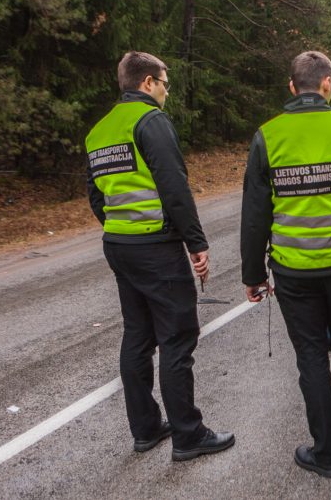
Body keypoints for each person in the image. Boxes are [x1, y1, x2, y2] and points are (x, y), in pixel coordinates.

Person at [240, 50, 331, 478]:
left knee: (311, 357)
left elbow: (255, 215)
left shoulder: (268, 135)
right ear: (328, 84)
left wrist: (253, 274)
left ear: (292, 87)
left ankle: (326, 453)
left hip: (293, 271)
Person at [85, 51, 234, 461]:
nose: (167, 90)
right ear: (148, 82)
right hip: (156, 246)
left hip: (119, 244)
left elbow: (96, 194)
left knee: (137, 334)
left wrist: (120, 224)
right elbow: (174, 186)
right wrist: (196, 243)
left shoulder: (99, 131)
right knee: (176, 338)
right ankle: (189, 435)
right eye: (165, 82)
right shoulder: (150, 121)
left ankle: (146, 429)